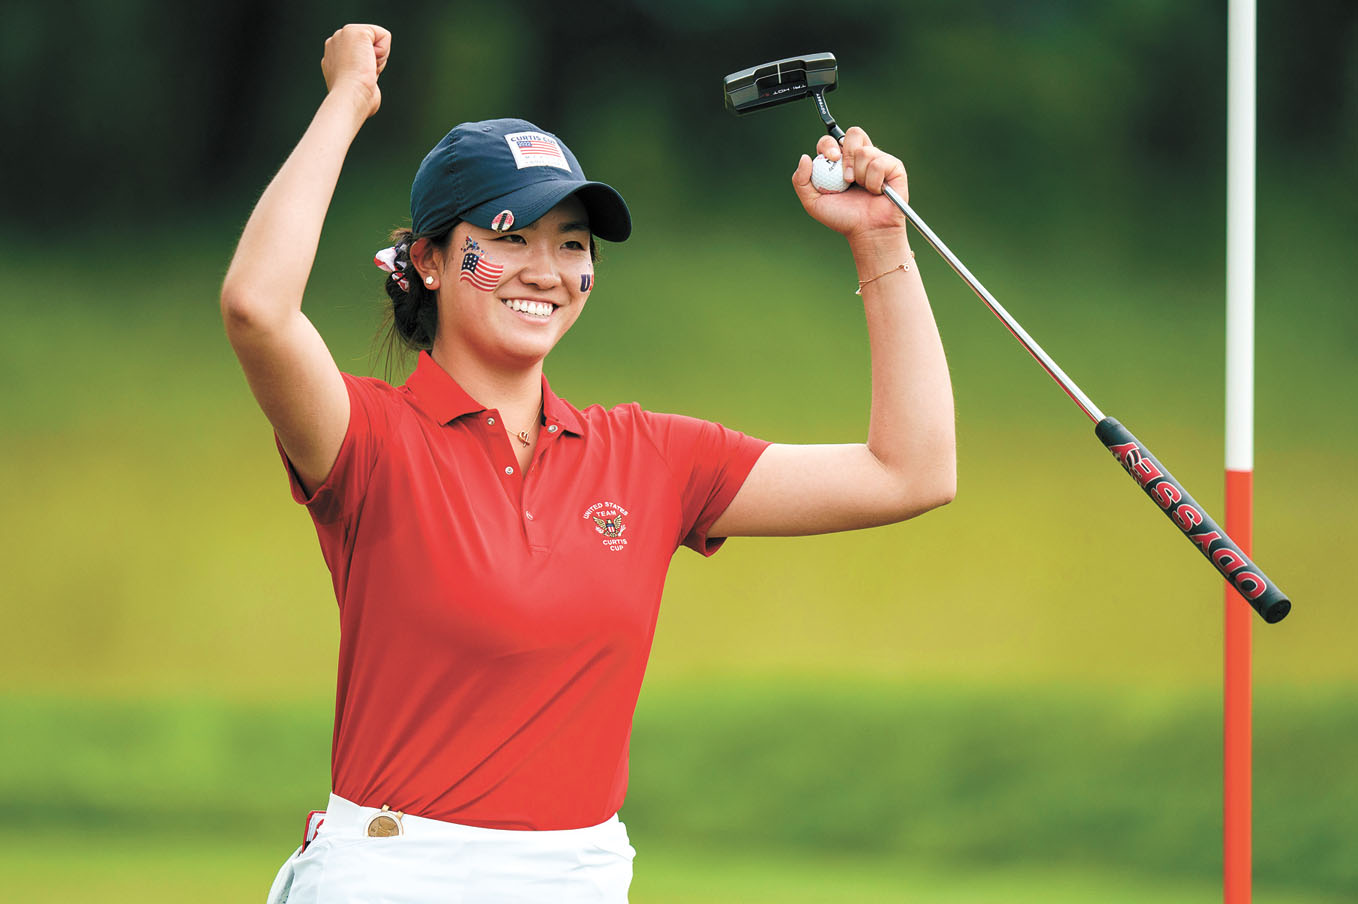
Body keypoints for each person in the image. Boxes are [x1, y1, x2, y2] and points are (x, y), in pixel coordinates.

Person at [221, 23, 955, 904]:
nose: (548, 269)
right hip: (392, 871)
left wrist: (880, 241)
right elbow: (258, 308)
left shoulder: (650, 457)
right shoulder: (368, 439)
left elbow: (910, 471)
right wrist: (347, 101)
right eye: (508, 236)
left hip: (578, 876)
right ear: (428, 260)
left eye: (572, 242)